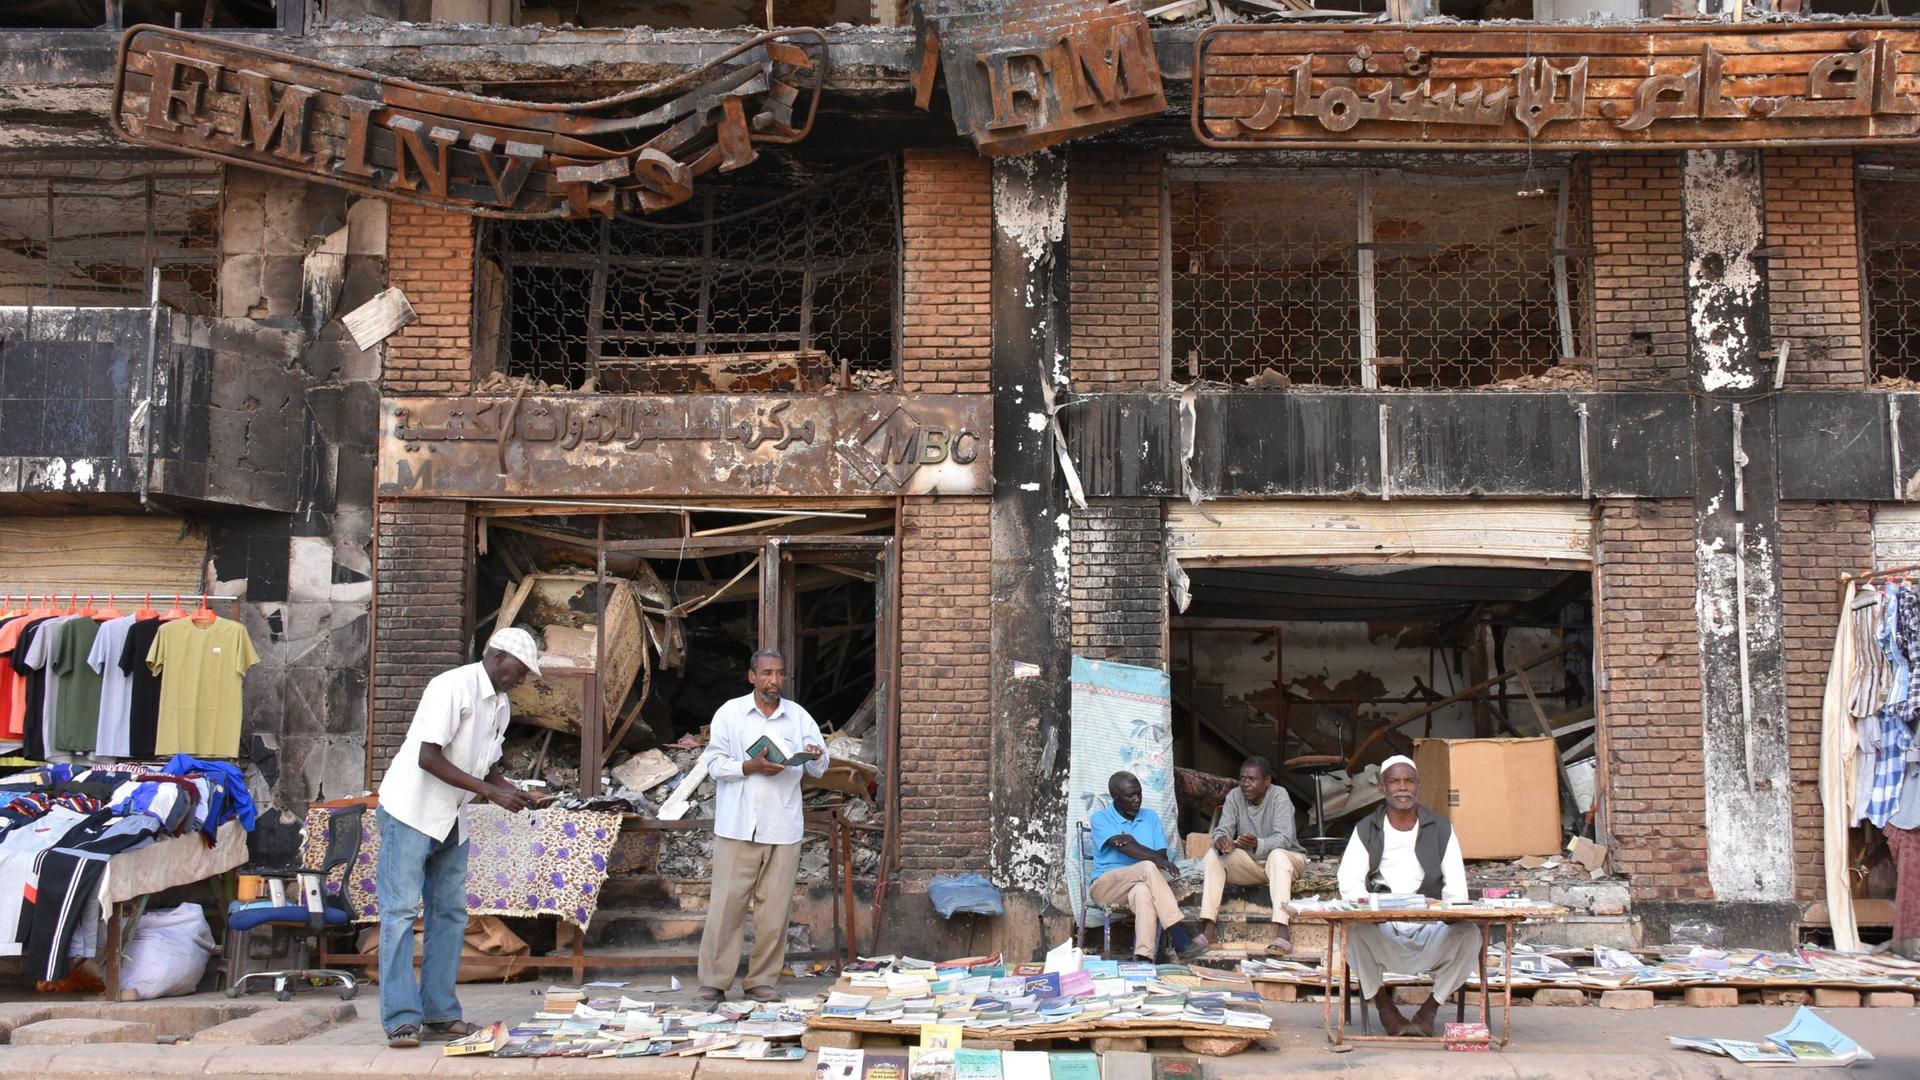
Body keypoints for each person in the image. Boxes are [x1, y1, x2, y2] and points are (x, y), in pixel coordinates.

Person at [375, 628, 543, 1049]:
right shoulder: (451, 686)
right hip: (412, 810)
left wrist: (512, 791)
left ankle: (440, 1013)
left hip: (451, 816)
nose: (521, 680)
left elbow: (487, 767)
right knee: (399, 913)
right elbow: (428, 757)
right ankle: (401, 1019)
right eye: (520, 670)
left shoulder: (500, 704)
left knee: (449, 913)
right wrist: (490, 792)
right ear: (498, 657)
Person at [695, 649, 829, 1003]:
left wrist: (816, 754)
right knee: (726, 907)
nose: (774, 681)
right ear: (751, 676)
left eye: (780, 674)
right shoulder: (730, 713)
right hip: (737, 825)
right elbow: (714, 764)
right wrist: (750, 766)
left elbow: (820, 767)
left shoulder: (798, 717)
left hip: (782, 826)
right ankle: (714, 981)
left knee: (774, 912)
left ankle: (761, 981)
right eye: (767, 673)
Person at [1335, 755, 1477, 1037]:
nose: (1402, 788)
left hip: (1430, 928)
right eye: (1395, 782)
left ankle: (1430, 1009)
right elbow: (1349, 882)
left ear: (1418, 787)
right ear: (1382, 788)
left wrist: (1446, 913)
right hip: (1384, 929)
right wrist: (1373, 912)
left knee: (1470, 934)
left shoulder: (1441, 828)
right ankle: (1385, 1008)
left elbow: (1456, 889)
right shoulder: (1366, 828)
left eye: (1409, 781)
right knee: (1352, 931)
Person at [1088, 770, 1209, 962]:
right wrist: (1136, 849)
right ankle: (1179, 936)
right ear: (1116, 797)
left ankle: (1143, 957)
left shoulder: (1150, 817)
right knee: (1147, 867)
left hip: (1136, 886)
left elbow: (1161, 856)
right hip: (1106, 887)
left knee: (1143, 892)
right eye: (1130, 795)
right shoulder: (1100, 818)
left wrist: (1133, 842)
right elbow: (1131, 851)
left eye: (1139, 793)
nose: (1137, 799)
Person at [1199, 755, 1308, 954]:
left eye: (1252, 779)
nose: (1245, 784)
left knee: (1277, 856)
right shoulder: (1234, 796)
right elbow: (1222, 829)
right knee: (1213, 856)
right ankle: (1209, 930)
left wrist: (1258, 843)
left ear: (1267, 781)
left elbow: (1285, 839)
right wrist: (1221, 840)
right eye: (1242, 778)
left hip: (1287, 860)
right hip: (1253, 864)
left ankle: (1282, 932)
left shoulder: (1279, 796)